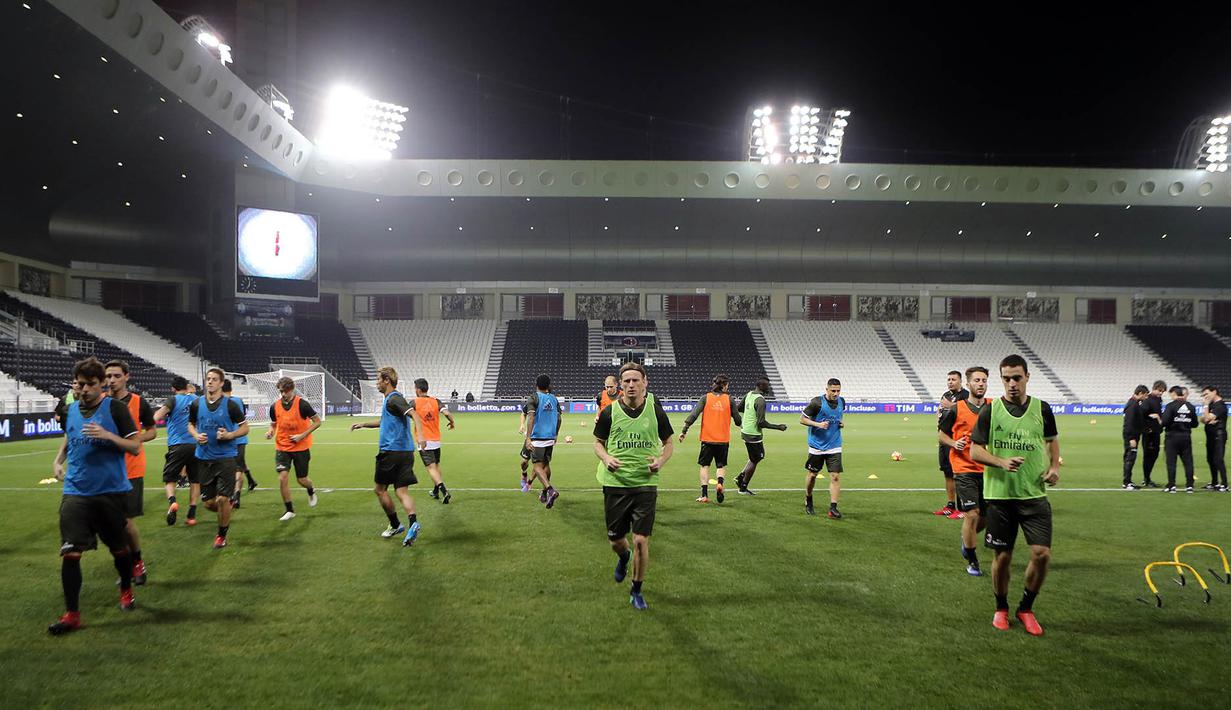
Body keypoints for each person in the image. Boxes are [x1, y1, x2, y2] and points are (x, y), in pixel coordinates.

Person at [48, 357, 142, 635]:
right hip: (75, 492)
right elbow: (69, 436)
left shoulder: (115, 409)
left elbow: (135, 446)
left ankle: (126, 589)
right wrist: (57, 460)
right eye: (80, 384)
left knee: (118, 549)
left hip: (110, 492)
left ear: (102, 384)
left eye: (90, 384)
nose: (84, 389)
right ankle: (72, 614)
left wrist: (107, 436)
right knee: (70, 552)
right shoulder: (71, 410)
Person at [970, 354, 1059, 636]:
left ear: (1027, 377)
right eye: (1006, 378)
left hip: (1034, 495)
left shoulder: (1042, 409)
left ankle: (1026, 607)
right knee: (1003, 557)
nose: (1011, 384)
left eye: (1017, 378)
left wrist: (1054, 467)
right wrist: (1001, 462)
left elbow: (1052, 441)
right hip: (1000, 496)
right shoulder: (990, 411)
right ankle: (1001, 607)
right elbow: (974, 450)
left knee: (1042, 554)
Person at [593, 362, 675, 610]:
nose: (631, 385)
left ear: (645, 382)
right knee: (617, 541)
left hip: (645, 484)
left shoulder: (656, 410)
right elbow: (598, 442)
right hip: (615, 484)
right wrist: (606, 458)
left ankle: (637, 589)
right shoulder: (609, 413)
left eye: (635, 380)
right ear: (620, 385)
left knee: (641, 540)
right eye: (626, 381)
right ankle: (623, 556)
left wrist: (661, 460)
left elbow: (669, 442)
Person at [350, 367, 424, 546]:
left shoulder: (394, 398)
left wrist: (421, 435)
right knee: (401, 491)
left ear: (386, 381)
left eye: (378, 379)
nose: (376, 383)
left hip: (391, 452)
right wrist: (363, 424)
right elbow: (384, 421)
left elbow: (414, 414)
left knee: (380, 490)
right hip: (406, 452)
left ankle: (395, 524)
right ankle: (413, 523)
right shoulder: (390, 401)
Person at [104, 360, 157, 586]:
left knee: (125, 522)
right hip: (106, 470)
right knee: (112, 525)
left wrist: (133, 440)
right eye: (108, 376)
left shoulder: (138, 402)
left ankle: (136, 562)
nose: (112, 380)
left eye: (116, 376)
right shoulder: (101, 403)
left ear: (127, 376)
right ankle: (126, 564)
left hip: (132, 468)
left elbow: (152, 431)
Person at [187, 367, 250, 549]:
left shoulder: (230, 405)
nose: (210, 382)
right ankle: (226, 510)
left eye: (214, 379)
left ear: (221, 383)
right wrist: (195, 435)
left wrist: (230, 435)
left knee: (222, 499)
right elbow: (190, 424)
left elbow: (245, 428)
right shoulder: (197, 404)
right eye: (208, 379)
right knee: (208, 503)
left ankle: (221, 535)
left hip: (226, 458)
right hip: (204, 458)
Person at [938, 366, 991, 576]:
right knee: (971, 514)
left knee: (985, 519)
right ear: (968, 384)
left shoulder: (993, 407)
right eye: (977, 380)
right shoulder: (956, 409)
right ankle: (972, 559)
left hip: (988, 468)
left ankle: (966, 538)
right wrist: (953, 443)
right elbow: (941, 435)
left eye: (984, 380)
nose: (981, 384)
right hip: (963, 468)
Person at [266, 376, 322, 521]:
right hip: (282, 446)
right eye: (281, 391)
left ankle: (310, 490)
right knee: (282, 477)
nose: (283, 394)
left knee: (302, 480)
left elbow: (317, 422)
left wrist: (302, 435)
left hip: (301, 447)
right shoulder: (275, 406)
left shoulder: (302, 404)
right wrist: (271, 431)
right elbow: (273, 423)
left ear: (291, 390)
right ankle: (289, 510)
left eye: (285, 391)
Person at [680, 374, 742, 504]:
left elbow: (694, 414)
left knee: (705, 465)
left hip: (707, 439)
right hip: (723, 440)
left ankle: (704, 495)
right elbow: (737, 420)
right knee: (720, 465)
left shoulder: (705, 398)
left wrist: (684, 430)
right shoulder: (729, 399)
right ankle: (719, 483)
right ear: (724, 385)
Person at [152, 376, 200, 526]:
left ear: (173, 388)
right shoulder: (197, 399)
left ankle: (172, 502)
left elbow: (156, 417)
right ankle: (191, 514)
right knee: (195, 480)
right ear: (187, 386)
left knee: (170, 478)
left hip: (177, 445)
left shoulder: (172, 400)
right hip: (195, 444)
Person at [735, 376, 788, 495]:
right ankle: (742, 486)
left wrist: (749, 414)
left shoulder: (749, 394)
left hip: (746, 431)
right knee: (756, 458)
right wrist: (778, 427)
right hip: (753, 434)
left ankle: (741, 478)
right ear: (761, 386)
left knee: (756, 457)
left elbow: (739, 408)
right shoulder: (760, 400)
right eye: (767, 385)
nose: (768, 387)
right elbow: (761, 422)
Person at [801, 378, 845, 519]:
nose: (836, 393)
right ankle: (808, 498)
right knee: (812, 475)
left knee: (835, 476)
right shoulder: (817, 402)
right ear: (827, 390)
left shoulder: (842, 402)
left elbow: (837, 417)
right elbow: (802, 419)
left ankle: (833, 508)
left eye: (838, 390)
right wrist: (818, 424)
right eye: (833, 391)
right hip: (817, 446)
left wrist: (840, 424)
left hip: (834, 445)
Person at [413, 378, 456, 504]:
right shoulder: (436, 401)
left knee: (431, 468)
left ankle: (444, 491)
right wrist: (452, 422)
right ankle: (435, 491)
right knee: (436, 466)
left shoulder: (414, 402)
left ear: (419, 389)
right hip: (436, 439)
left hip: (424, 441)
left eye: (415, 388)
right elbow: (447, 413)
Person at [522, 374, 562, 509]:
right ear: (548, 385)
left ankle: (550, 489)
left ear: (536, 385)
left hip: (538, 437)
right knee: (546, 465)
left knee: (537, 466)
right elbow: (559, 418)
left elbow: (531, 417)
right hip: (550, 438)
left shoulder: (534, 398)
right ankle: (544, 493)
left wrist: (528, 438)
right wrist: (556, 434)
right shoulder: (554, 398)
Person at [935, 370, 969, 517]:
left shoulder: (966, 395)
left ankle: (963, 508)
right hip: (945, 439)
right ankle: (950, 505)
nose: (950, 382)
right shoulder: (946, 395)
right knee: (947, 472)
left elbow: (966, 413)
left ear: (960, 381)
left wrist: (951, 406)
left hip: (957, 440)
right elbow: (940, 411)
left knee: (959, 474)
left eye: (953, 379)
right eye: (948, 379)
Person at [221, 379, 259, 506]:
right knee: (239, 464)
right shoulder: (238, 400)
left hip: (228, 438)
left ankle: (235, 495)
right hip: (240, 438)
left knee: (235, 468)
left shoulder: (220, 403)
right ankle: (251, 480)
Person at [1160, 386, 1199, 493]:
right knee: (1188, 462)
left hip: (1172, 437)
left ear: (1174, 394)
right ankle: (1190, 486)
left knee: (1171, 462)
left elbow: (1165, 422)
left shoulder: (1170, 406)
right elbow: (1195, 424)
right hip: (1186, 437)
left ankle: (1171, 485)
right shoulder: (1190, 406)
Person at [1121, 385, 1150, 490]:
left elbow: (1137, 421)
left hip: (1133, 435)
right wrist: (1131, 438)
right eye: (1146, 395)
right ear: (1141, 393)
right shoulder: (1133, 405)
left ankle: (1128, 481)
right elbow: (1129, 422)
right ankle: (1126, 482)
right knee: (1130, 457)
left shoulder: (1134, 403)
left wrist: (1145, 429)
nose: (1146, 397)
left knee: (1130, 457)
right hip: (1131, 436)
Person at [1140, 380, 1167, 487]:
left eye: (1163, 391)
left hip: (1156, 432)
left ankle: (1147, 478)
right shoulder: (1148, 400)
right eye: (1160, 390)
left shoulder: (1158, 399)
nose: (1161, 393)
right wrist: (1146, 428)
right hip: (1149, 433)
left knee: (1154, 455)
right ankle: (1146, 479)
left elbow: (1157, 413)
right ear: (1154, 388)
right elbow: (1141, 414)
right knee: (1149, 455)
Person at [1201, 386, 1228, 491]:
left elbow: (1206, 417)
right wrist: (1207, 418)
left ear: (1214, 392)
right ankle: (1214, 482)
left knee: (1218, 459)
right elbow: (1202, 419)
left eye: (1206, 394)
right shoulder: (1212, 405)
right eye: (1204, 395)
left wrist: (1206, 406)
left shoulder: (1220, 406)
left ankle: (1225, 484)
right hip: (1211, 435)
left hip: (1219, 435)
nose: (1205, 397)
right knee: (1210, 459)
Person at [517, 398, 535, 491]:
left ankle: (529, 483)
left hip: (542, 438)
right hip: (529, 437)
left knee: (538, 465)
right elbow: (523, 413)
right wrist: (522, 425)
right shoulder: (532, 402)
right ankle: (524, 474)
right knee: (524, 461)